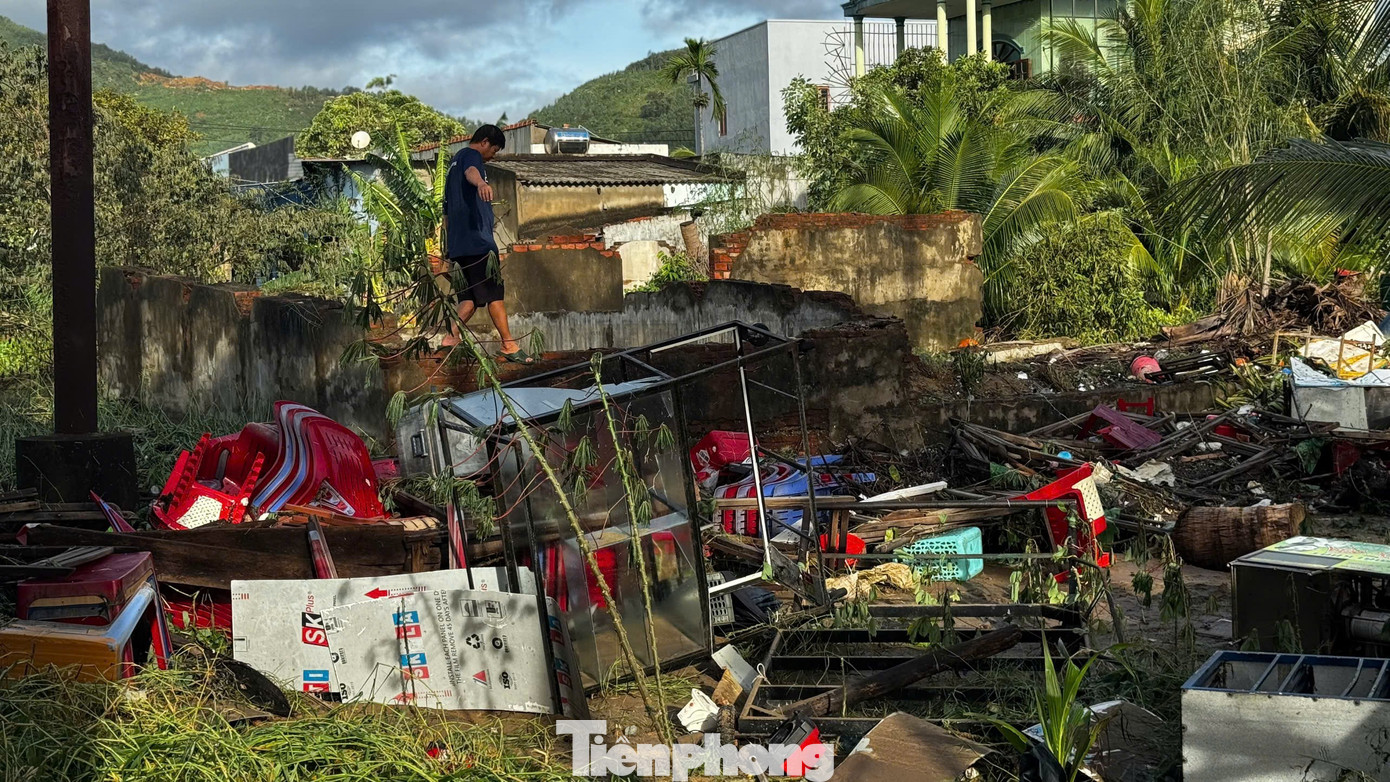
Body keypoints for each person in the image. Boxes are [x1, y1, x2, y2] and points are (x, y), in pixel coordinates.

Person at [440, 124, 534, 363]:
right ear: (484, 142)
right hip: (478, 243)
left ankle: (450, 339)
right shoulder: (470, 157)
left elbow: (446, 215)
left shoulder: (452, 166)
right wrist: (481, 183)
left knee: (469, 300)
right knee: (494, 296)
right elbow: (471, 171)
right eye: (494, 149)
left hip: (460, 246)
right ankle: (509, 345)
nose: (494, 155)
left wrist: (448, 250)